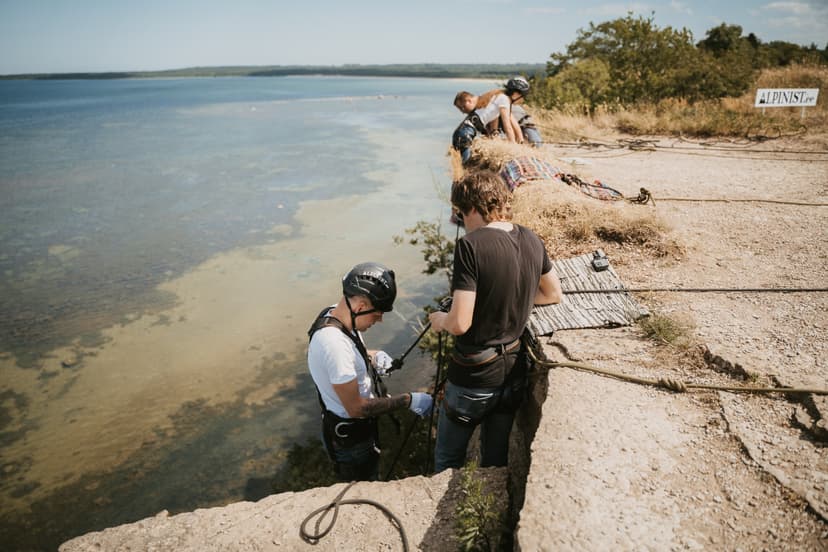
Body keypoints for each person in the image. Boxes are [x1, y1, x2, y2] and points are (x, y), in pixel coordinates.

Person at [428, 170, 562, 472]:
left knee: (447, 459)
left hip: (473, 377)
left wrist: (440, 319)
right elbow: (553, 294)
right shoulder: (531, 237)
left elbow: (460, 323)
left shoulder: (470, 246)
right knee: (495, 460)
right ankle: (494, 497)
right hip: (513, 373)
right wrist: (513, 298)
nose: (462, 222)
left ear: (473, 208)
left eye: (461, 214)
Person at [308, 262, 433, 481]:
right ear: (360, 307)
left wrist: (374, 357)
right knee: (362, 486)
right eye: (377, 313)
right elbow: (356, 408)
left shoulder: (336, 315)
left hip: (357, 431)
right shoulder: (333, 344)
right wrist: (408, 400)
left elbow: (351, 353)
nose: (380, 319)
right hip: (352, 443)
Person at [451, 76, 532, 164]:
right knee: (467, 164)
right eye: (522, 96)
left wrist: (520, 141)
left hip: (464, 131)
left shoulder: (500, 97)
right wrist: (513, 148)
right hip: (466, 133)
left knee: (467, 165)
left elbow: (497, 118)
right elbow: (507, 126)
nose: (522, 100)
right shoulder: (504, 99)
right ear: (516, 94)